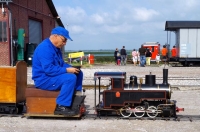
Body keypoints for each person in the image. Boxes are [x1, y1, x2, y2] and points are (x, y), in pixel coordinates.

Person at [32, 26, 83, 116]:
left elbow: (61, 64)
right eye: (64, 40)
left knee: (78, 73)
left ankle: (75, 98)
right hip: (43, 79)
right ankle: (61, 106)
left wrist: (73, 68)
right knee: (70, 78)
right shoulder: (45, 48)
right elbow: (49, 69)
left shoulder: (56, 48)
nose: (65, 43)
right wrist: (67, 70)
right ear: (55, 36)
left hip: (51, 77)